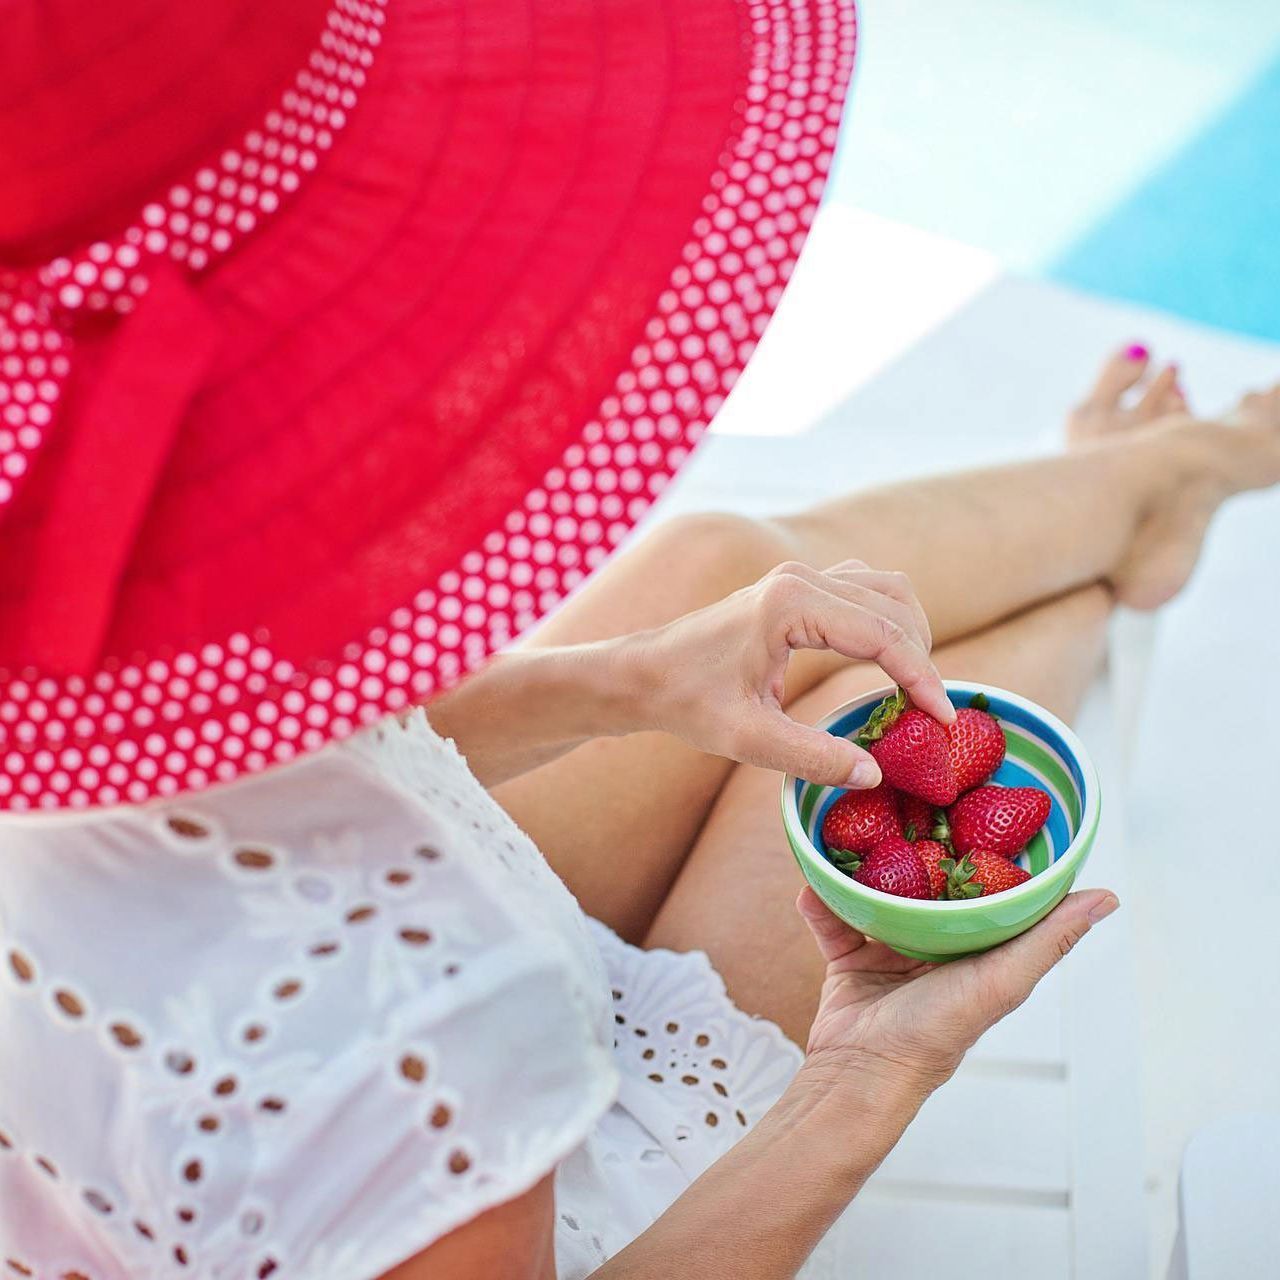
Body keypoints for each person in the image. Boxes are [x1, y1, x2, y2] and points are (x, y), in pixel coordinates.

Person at [2, 0, 1279, 1276]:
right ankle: (1134, 525)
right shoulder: (413, 1026)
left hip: (288, 1004)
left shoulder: (58, 627)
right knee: (966, 661)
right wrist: (872, 1070)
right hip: (552, 1185)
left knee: (725, 572)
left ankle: (1150, 492)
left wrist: (623, 684)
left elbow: (245, 764)